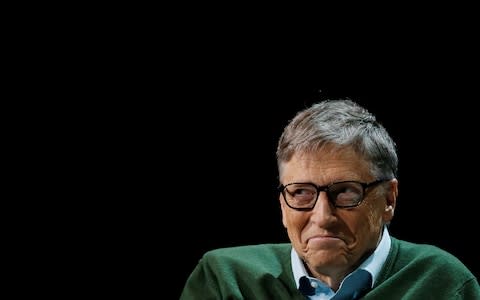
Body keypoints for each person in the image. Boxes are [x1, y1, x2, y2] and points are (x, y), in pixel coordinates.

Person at [180, 99, 480, 299]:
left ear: (389, 199)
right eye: (300, 193)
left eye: (346, 192)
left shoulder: (442, 282)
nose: (322, 216)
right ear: (283, 206)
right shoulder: (224, 280)